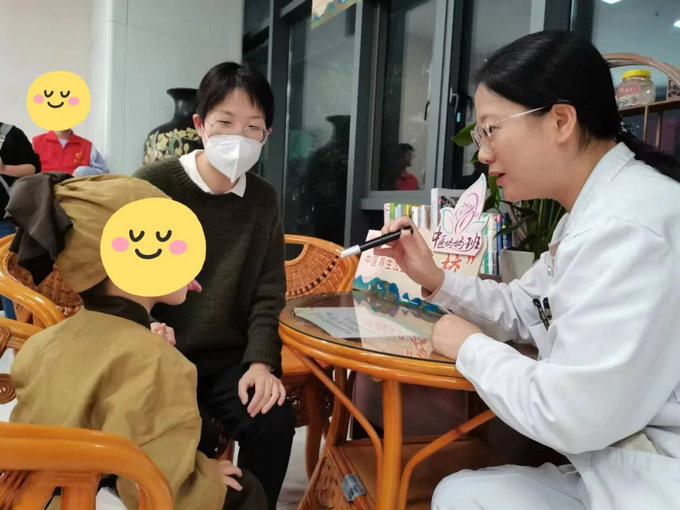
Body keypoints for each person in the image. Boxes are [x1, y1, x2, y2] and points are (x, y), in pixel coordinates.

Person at [376, 31, 680, 510]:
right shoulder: (595, 211)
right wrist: (434, 278)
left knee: (460, 497)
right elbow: (527, 306)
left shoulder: (628, 226)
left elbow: (570, 412)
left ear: (560, 121)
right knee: (460, 493)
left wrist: (468, 346)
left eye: (491, 130)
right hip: (617, 462)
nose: (482, 153)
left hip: (653, 479)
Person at [8, 173, 267, 509]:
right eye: (169, 241)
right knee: (246, 491)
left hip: (27, 496)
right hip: (82, 497)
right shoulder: (156, 360)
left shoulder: (42, 343)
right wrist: (205, 477)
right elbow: (153, 488)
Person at [134, 62, 294, 510]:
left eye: (253, 127)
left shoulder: (263, 198)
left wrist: (261, 364)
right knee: (194, 438)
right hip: (163, 357)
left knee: (274, 421)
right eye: (225, 122)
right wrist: (142, 326)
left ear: (267, 135)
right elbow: (118, 275)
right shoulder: (152, 184)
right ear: (200, 124)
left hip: (229, 358)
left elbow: (268, 290)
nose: (239, 137)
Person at [0, 121, 40, 320]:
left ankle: (15, 328)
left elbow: (33, 168)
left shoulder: (11, 134)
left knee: (8, 274)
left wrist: (4, 168)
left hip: (4, 218)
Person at [32, 128, 110, 176]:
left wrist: (82, 172)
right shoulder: (36, 143)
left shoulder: (87, 146)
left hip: (77, 194)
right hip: (44, 193)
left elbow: (104, 173)